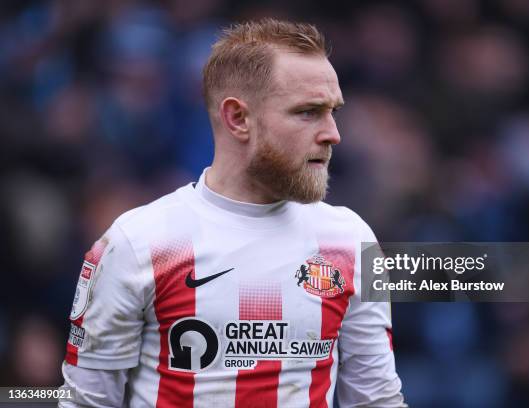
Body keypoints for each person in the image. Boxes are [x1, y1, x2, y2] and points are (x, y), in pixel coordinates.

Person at [60, 19, 406, 407]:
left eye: (333, 112)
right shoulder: (137, 242)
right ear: (238, 118)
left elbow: (377, 400)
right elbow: (85, 402)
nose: (332, 133)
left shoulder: (350, 239)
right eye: (308, 112)